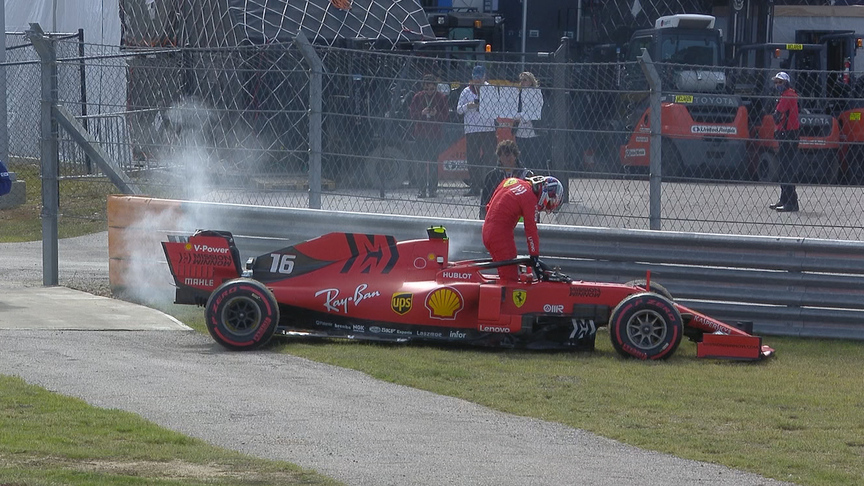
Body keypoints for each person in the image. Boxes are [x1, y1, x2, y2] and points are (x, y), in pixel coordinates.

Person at [482, 175, 564, 282]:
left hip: (486, 230)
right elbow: (531, 231)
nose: (546, 208)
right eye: (549, 204)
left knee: (506, 273)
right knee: (510, 279)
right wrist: (534, 257)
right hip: (500, 236)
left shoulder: (511, 181)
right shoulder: (530, 198)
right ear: (546, 193)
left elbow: (488, 206)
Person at [457, 64, 497, 197]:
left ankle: (490, 186)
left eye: (480, 77)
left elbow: (496, 109)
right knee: (472, 158)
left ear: (484, 76)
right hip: (472, 129)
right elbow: (459, 110)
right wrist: (469, 105)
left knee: (490, 158)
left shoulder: (490, 88)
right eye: (475, 77)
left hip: (488, 128)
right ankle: (474, 187)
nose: (477, 80)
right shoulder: (466, 91)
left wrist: (485, 105)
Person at [409, 74, 450, 198]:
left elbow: (446, 116)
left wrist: (436, 114)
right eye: (427, 89)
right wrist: (421, 113)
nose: (429, 92)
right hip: (421, 133)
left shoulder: (441, 97)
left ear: (436, 87)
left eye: (432, 89)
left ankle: (432, 189)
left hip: (435, 134)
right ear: (423, 87)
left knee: (433, 162)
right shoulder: (418, 97)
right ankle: (421, 189)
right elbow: (411, 114)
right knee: (421, 162)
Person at [768, 71, 800, 213]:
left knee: (786, 168)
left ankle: (791, 203)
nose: (777, 85)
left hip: (789, 135)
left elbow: (777, 115)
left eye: (780, 82)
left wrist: (773, 114)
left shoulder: (787, 96)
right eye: (776, 82)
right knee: (784, 167)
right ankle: (784, 199)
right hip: (788, 134)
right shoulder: (787, 95)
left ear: (786, 83)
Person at [479, 139, 534, 219]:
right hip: (498, 216)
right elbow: (484, 202)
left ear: (515, 155)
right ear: (499, 157)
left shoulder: (527, 175)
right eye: (502, 155)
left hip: (519, 216)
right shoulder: (492, 176)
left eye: (508, 155)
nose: (506, 158)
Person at [512, 72, 545, 169]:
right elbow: (513, 109)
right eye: (521, 80)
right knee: (521, 156)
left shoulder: (536, 93)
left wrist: (522, 115)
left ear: (531, 82)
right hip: (520, 130)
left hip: (533, 129)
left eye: (525, 80)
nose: (522, 82)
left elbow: (536, 109)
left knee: (533, 157)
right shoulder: (517, 94)